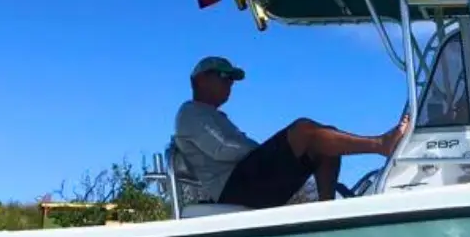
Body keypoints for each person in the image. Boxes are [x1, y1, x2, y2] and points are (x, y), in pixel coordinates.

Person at [174, 56, 409, 208]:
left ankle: (326, 210)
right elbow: (223, 149)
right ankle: (382, 144)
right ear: (200, 80)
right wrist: (271, 150)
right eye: (225, 77)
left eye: (232, 81)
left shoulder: (211, 115)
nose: (230, 85)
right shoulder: (191, 113)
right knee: (303, 130)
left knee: (326, 138)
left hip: (246, 182)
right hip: (232, 189)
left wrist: (276, 151)